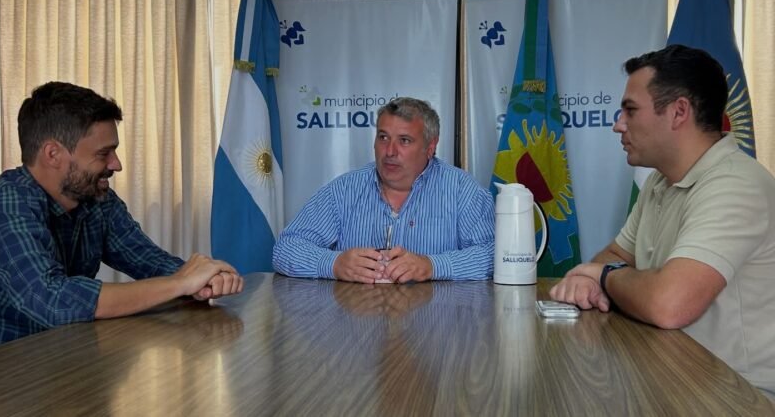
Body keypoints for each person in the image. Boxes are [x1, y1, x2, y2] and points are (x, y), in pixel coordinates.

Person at [549, 44, 775, 399]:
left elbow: (668, 304)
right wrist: (592, 276)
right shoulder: (661, 180)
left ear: (678, 112)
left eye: (630, 110)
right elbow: (615, 255)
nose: (618, 125)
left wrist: (603, 277)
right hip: (673, 376)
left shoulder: (735, 185)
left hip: (738, 395)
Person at [0, 82, 244, 351]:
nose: (116, 164)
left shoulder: (98, 200)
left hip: (63, 358)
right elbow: (51, 299)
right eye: (103, 153)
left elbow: (148, 260)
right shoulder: (0, 202)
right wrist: (180, 283)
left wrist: (205, 280)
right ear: (53, 154)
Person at [273, 97, 494, 283]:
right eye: (383, 137)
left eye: (404, 140)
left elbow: (493, 254)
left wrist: (432, 266)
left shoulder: (462, 191)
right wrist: (333, 263)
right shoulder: (344, 190)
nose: (389, 151)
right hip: (357, 318)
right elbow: (285, 248)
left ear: (430, 147)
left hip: (437, 317)